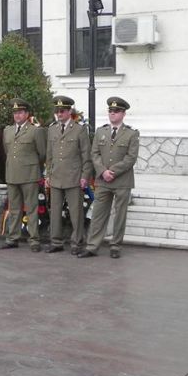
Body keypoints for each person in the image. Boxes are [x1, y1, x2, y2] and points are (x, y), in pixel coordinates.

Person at [79, 97, 140, 259]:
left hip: (121, 180)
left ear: (123, 113)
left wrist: (112, 171)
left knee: (120, 214)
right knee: (98, 213)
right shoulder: (101, 131)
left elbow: (131, 157)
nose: (112, 114)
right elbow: (95, 153)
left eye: (116, 112)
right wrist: (102, 171)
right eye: (110, 111)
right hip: (102, 180)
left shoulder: (131, 134)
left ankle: (115, 245)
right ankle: (92, 246)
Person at [46, 96, 92, 254]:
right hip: (56, 177)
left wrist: (85, 176)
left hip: (74, 177)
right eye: (57, 111)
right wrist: (48, 174)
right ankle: (56, 241)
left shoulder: (79, 129)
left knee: (76, 213)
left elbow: (86, 155)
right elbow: (49, 154)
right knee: (55, 212)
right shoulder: (52, 129)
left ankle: (76, 243)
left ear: (69, 111)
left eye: (63, 111)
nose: (59, 114)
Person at [0, 98, 47, 252]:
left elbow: (42, 153)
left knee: (32, 209)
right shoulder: (8, 130)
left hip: (29, 175)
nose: (17, 115)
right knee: (14, 208)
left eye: (20, 112)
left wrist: (31, 165)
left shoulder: (35, 131)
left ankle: (34, 239)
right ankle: (12, 238)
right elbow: (8, 152)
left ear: (27, 114)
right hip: (13, 174)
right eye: (15, 113)